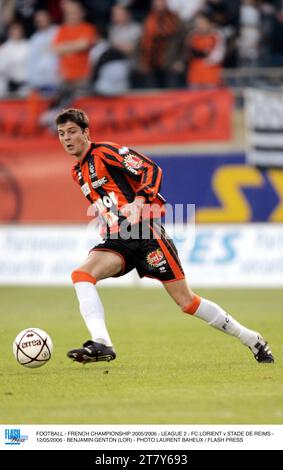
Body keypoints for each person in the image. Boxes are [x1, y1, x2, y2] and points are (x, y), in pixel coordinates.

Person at [56, 108, 274, 365]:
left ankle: (252, 339)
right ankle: (102, 343)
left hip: (146, 234)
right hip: (119, 239)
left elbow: (151, 169)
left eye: (72, 132)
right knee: (82, 275)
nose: (67, 138)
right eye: (61, 134)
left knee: (187, 302)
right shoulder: (77, 172)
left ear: (86, 132)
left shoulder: (104, 152)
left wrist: (139, 201)